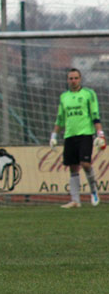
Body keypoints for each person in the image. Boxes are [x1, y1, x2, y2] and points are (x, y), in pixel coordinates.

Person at [50, 68, 104, 208]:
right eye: (71, 78)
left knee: (85, 164)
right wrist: (54, 136)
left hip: (85, 134)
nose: (73, 81)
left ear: (80, 79)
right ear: (67, 80)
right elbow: (60, 118)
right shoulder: (64, 97)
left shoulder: (88, 94)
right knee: (73, 167)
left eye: (75, 78)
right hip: (69, 135)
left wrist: (100, 134)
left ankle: (93, 191)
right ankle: (75, 200)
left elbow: (95, 115)